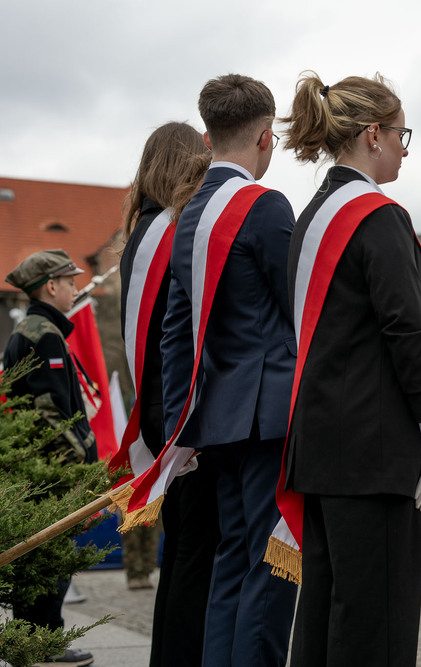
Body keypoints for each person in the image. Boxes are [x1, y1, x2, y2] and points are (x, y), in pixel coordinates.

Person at [280, 71, 421, 666]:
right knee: (376, 620)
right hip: (375, 450)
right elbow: (406, 329)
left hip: (321, 443)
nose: (406, 147)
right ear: (373, 135)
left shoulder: (311, 218)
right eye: (403, 134)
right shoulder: (378, 217)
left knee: (326, 614)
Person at [159, 74, 298, 667]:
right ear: (266, 137)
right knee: (269, 571)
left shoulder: (187, 214)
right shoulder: (265, 205)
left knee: (230, 565)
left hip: (214, 417)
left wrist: (177, 428)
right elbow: (301, 310)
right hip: (268, 418)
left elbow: (174, 330)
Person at [119, 121, 220, 666]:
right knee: (194, 555)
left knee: (183, 550)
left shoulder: (142, 231)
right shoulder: (171, 231)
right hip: (183, 416)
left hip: (160, 411)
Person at [4, 248, 96, 667]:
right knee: (49, 561)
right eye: (71, 281)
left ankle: (35, 644)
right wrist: (79, 464)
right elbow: (48, 410)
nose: (76, 288)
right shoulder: (43, 333)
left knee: (38, 561)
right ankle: (44, 645)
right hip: (51, 472)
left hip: (37, 470)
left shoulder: (36, 328)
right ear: (51, 286)